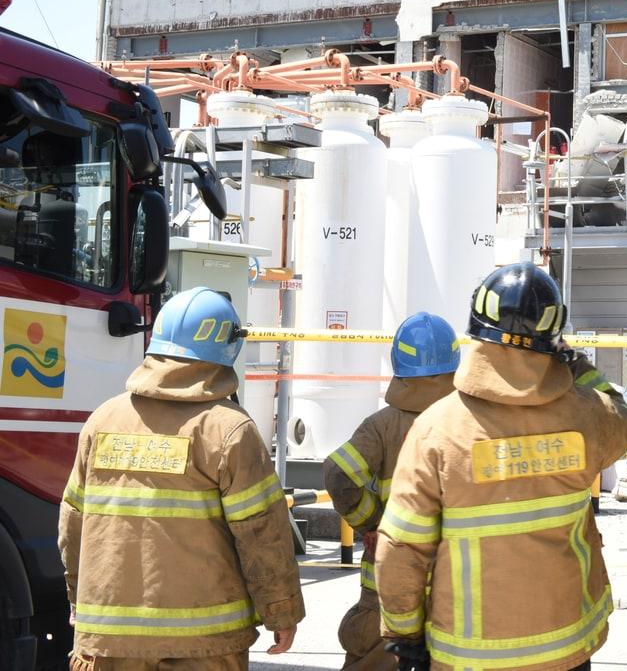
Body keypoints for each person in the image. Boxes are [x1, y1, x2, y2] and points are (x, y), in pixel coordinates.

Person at [375, 262, 627, 671]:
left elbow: (400, 549)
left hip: (467, 656)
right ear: (552, 338)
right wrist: (575, 365)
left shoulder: (437, 428)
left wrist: (404, 634)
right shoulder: (586, 416)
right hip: (565, 648)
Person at [58, 287, 303, 670]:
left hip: (107, 641)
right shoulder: (229, 430)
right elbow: (262, 533)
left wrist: (78, 598)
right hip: (204, 645)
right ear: (227, 347)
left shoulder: (102, 420)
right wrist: (281, 611)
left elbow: (73, 523)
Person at [325, 312, 460, 670]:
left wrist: (372, 522)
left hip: (387, 588)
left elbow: (338, 473)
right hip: (456, 587)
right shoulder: (470, 422)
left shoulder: (381, 426)